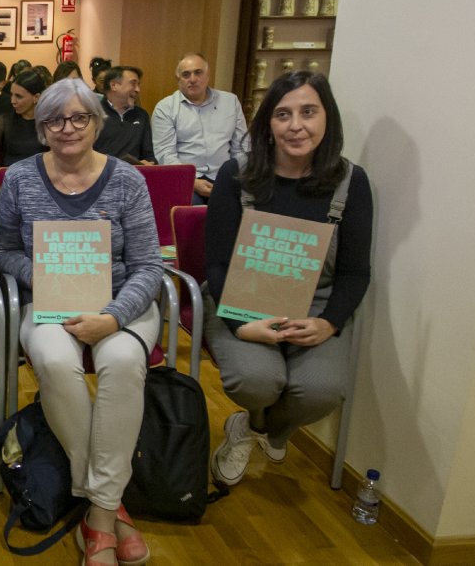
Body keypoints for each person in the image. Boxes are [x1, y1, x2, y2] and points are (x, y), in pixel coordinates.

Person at [0, 77, 159, 566]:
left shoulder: (128, 181)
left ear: (96, 122)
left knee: (123, 362)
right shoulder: (19, 178)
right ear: (42, 128)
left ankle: (99, 517)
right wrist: (47, 279)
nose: (67, 128)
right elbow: (5, 251)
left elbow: (149, 266)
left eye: (79, 117)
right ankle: (107, 503)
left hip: (122, 304)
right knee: (52, 360)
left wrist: (113, 317)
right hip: (50, 302)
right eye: (54, 120)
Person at [205, 72, 372, 487]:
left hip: (316, 305)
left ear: (327, 117)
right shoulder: (235, 174)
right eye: (283, 114)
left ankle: (261, 430)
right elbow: (218, 264)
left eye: (308, 112)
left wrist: (329, 323)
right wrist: (240, 326)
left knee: (321, 391)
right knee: (256, 380)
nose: (296, 125)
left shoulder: (352, 183)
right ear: (268, 123)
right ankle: (257, 419)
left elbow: (355, 272)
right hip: (242, 299)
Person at [151, 52, 248, 204]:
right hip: (185, 180)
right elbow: (165, 153)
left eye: (198, 73)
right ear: (178, 79)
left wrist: (235, 178)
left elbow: (242, 147)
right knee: (189, 210)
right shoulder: (165, 108)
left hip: (225, 176)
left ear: (207, 76)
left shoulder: (231, 102)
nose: (193, 79)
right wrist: (191, 181)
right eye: (186, 74)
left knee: (239, 208)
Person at [0, 70, 48, 201]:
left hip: (42, 188)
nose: (12, 101)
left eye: (19, 96)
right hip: (11, 188)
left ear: (36, 97)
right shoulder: (4, 121)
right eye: (11, 95)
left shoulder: (49, 124)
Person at [94, 66, 155, 165]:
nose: (138, 89)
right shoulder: (94, 114)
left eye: (138, 84)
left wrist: (148, 163)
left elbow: (149, 156)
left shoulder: (142, 115)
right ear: (114, 85)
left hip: (134, 172)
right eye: (133, 83)